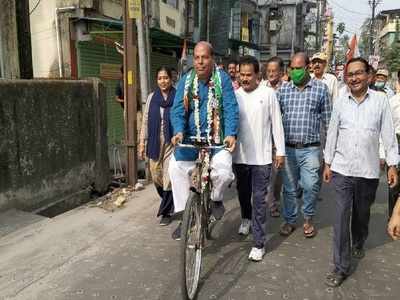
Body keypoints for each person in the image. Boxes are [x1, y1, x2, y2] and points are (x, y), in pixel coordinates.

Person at [323, 57, 398, 287]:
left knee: (361, 213)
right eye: (350, 74)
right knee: (341, 217)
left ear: (369, 76)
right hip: (342, 169)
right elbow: (332, 132)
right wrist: (327, 162)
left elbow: (387, 134)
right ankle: (340, 266)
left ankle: (359, 239)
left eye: (358, 73)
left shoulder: (380, 101)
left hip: (368, 170)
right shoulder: (340, 101)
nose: (354, 78)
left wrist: (392, 164)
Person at [168, 41, 239, 240]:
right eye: (197, 58)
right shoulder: (185, 80)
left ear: (212, 59)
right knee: (175, 167)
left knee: (224, 173)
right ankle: (186, 216)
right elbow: (178, 110)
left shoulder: (222, 79)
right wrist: (179, 132)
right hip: (191, 139)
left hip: (217, 141)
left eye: (204, 57)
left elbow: (231, 107)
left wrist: (231, 133)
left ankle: (216, 199)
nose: (200, 62)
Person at [233, 55, 285, 261]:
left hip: (262, 159)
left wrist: (280, 151)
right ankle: (246, 218)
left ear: (257, 75)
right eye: (241, 75)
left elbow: (277, 123)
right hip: (239, 157)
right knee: (243, 195)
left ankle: (258, 242)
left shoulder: (268, 94)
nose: (245, 79)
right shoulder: (235, 95)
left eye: (249, 75)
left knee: (260, 200)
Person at [276, 52, 331, 238]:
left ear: (307, 67)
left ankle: (307, 218)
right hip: (288, 148)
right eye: (292, 68)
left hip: (311, 149)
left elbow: (329, 122)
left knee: (310, 185)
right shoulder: (283, 90)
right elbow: (275, 119)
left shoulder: (321, 89)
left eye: (298, 68)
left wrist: (329, 155)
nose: (295, 72)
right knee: (289, 188)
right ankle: (290, 220)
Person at [139, 67, 176, 226]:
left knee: (168, 177)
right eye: (160, 78)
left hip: (171, 140)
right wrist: (142, 143)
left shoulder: (177, 96)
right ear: (157, 80)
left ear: (171, 79)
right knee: (156, 174)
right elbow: (146, 121)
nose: (163, 81)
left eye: (166, 78)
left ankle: (166, 212)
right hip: (154, 141)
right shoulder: (152, 97)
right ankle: (170, 199)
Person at [263, 56, 285, 217]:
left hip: (279, 139)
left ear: (281, 72)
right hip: (263, 138)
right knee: (264, 173)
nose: (271, 74)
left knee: (277, 175)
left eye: (274, 71)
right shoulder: (261, 88)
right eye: (269, 71)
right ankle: (266, 203)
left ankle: (274, 201)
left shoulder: (287, 89)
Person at [386, 71, 400, 217]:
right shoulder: (393, 102)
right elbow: (387, 130)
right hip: (396, 144)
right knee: (394, 183)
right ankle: (393, 216)